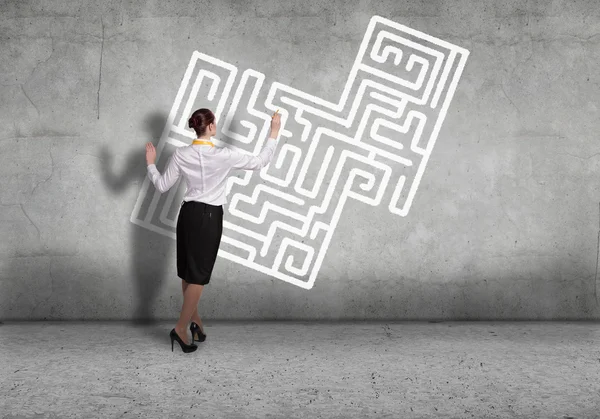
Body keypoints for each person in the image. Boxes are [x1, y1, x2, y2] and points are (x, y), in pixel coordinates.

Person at [145, 108, 281, 353]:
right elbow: (261, 162)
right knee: (198, 277)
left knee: (188, 274)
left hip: (187, 214)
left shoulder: (180, 154)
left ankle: (196, 323)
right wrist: (274, 131)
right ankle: (180, 328)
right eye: (214, 122)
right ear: (209, 126)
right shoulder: (224, 155)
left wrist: (151, 165)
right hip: (209, 217)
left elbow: (162, 186)